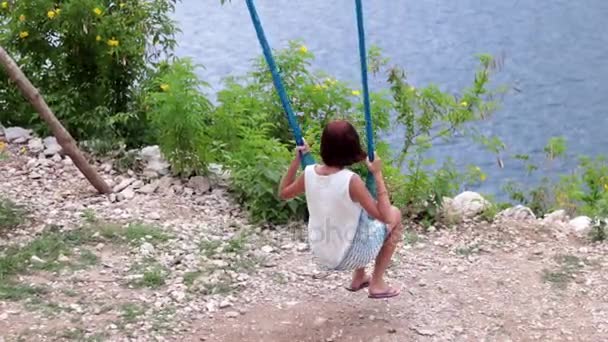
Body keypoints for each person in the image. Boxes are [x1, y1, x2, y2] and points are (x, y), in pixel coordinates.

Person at [278, 119, 403, 299]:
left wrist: (296, 160)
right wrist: (377, 174)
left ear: (324, 146)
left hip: (321, 253)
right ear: (352, 149)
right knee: (395, 214)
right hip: (347, 256)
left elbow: (283, 192)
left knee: (358, 213)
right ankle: (377, 283)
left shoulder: (309, 173)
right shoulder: (351, 181)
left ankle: (359, 278)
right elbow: (385, 217)